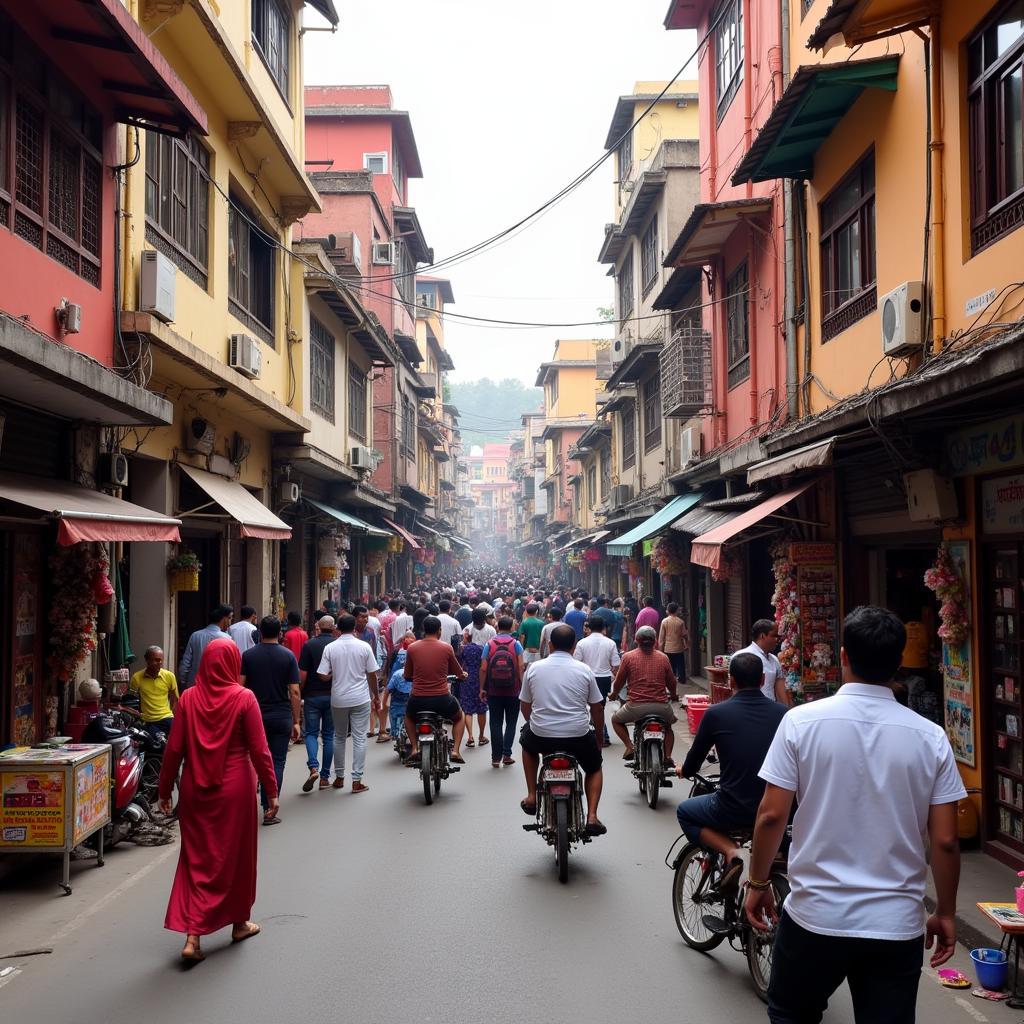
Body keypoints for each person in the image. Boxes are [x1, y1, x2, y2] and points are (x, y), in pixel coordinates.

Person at [745, 606, 965, 1023]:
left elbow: (771, 816)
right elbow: (946, 840)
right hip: (895, 923)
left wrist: (757, 882)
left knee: (792, 1015)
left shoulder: (800, 722)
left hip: (814, 914)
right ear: (899, 662)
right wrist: (947, 911)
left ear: (843, 656)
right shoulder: (930, 737)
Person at [157, 639, 276, 962]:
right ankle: (238, 923)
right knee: (236, 857)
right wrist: (272, 790)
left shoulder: (189, 698)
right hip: (236, 789)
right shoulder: (244, 698)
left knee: (197, 860)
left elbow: (174, 749)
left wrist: (165, 789)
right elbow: (259, 749)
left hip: (195, 788)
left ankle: (193, 937)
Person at [674, 652, 787, 893]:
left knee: (685, 811)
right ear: (762, 679)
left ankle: (730, 851)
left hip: (733, 808)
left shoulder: (716, 714)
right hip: (781, 808)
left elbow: (693, 764)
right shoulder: (784, 714)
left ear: (731, 681)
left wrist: (684, 770)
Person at [518, 624, 606, 835]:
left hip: (541, 734)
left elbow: (525, 705)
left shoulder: (534, 668)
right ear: (574, 646)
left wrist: (535, 722)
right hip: (578, 734)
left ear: (550, 644)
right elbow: (597, 708)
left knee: (527, 745)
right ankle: (592, 816)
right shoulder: (584, 670)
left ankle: (531, 795)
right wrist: (599, 736)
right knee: (594, 768)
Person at [241, 616, 300, 825]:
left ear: (260, 631)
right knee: (277, 761)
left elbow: (240, 687)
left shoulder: (247, 656)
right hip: (281, 715)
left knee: (251, 759)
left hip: (253, 716)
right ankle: (269, 806)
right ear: (280, 633)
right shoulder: (288, 656)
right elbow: (294, 691)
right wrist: (296, 721)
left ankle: (250, 800)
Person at [316, 614, 379, 794]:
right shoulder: (364, 646)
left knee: (339, 736)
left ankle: (339, 777)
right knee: (359, 738)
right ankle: (357, 780)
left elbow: (321, 675)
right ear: (354, 628)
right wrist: (376, 696)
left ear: (337, 628)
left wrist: (334, 676)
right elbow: (372, 674)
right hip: (360, 698)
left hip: (339, 698)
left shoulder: (330, 647)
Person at [403, 616, 468, 766]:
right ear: (439, 631)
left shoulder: (412, 648)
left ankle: (414, 748)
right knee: (459, 717)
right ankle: (456, 750)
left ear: (423, 631)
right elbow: (458, 672)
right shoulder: (446, 648)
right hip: (442, 699)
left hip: (417, 700)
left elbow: (407, 675)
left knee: (409, 716)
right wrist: (462, 676)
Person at [609, 625, 677, 764]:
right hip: (661, 707)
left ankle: (629, 747)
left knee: (615, 720)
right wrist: (674, 695)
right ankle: (667, 757)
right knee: (668, 727)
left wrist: (614, 694)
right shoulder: (663, 658)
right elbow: (671, 682)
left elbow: (619, 682)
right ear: (655, 641)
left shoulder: (628, 657)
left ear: (636, 640)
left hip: (635, 707)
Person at [298, 616, 336, 792]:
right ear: (334, 627)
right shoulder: (337, 645)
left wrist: (300, 692)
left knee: (311, 733)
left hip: (312, 696)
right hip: (332, 696)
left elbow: (303, 674)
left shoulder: (309, 645)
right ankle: (324, 777)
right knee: (328, 736)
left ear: (318, 628)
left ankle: (313, 766)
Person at [480, 616, 524, 766]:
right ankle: (507, 754)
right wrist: (522, 686)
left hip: (493, 691)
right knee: (511, 723)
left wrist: (482, 688)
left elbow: (484, 668)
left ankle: (495, 758)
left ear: (498, 627)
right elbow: (520, 667)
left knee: (495, 723)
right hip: (513, 691)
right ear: (512, 628)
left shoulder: (489, 644)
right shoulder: (516, 644)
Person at [573, 616, 620, 746]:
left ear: (589, 627)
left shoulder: (582, 643)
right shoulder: (610, 643)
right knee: (600, 707)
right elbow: (616, 664)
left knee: (588, 706)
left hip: (586, 677)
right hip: (604, 679)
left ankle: (599, 734)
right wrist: (612, 676)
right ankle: (602, 735)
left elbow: (576, 663)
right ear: (603, 628)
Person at [737, 619, 791, 706]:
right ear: (762, 636)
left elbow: (780, 687)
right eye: (774, 636)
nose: (777, 639)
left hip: (769, 708)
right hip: (747, 707)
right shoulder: (742, 656)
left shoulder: (774, 659)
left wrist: (787, 710)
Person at [130, 645, 179, 740]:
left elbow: (175, 700)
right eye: (156, 660)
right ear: (147, 660)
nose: (160, 663)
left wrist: (174, 717)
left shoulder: (169, 676)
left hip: (167, 717)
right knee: (156, 744)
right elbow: (132, 701)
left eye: (161, 660)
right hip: (148, 720)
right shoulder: (137, 678)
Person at [178, 604, 232, 688]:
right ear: (224, 618)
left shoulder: (195, 635)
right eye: (230, 618)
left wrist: (183, 681)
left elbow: (186, 662)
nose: (230, 623)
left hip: (195, 685)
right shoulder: (227, 639)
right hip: (217, 687)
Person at [457, 638, 488, 749]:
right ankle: (481, 736)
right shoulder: (482, 648)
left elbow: (460, 662)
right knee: (481, 707)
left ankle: (470, 737)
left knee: (467, 709)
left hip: (467, 678)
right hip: (480, 678)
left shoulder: (464, 649)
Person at [658, 602, 690, 700]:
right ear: (676, 611)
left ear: (668, 610)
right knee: (680, 665)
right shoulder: (680, 622)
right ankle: (682, 679)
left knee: (670, 667)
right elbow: (684, 635)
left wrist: (660, 650)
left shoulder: (664, 621)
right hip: (678, 648)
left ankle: (669, 681)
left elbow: (661, 638)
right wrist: (687, 644)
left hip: (668, 648)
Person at [386, 648, 412, 745]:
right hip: (410, 702)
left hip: (396, 702)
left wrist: (384, 702)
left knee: (394, 715)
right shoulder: (415, 673)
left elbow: (388, 690)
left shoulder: (396, 674)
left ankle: (395, 733)